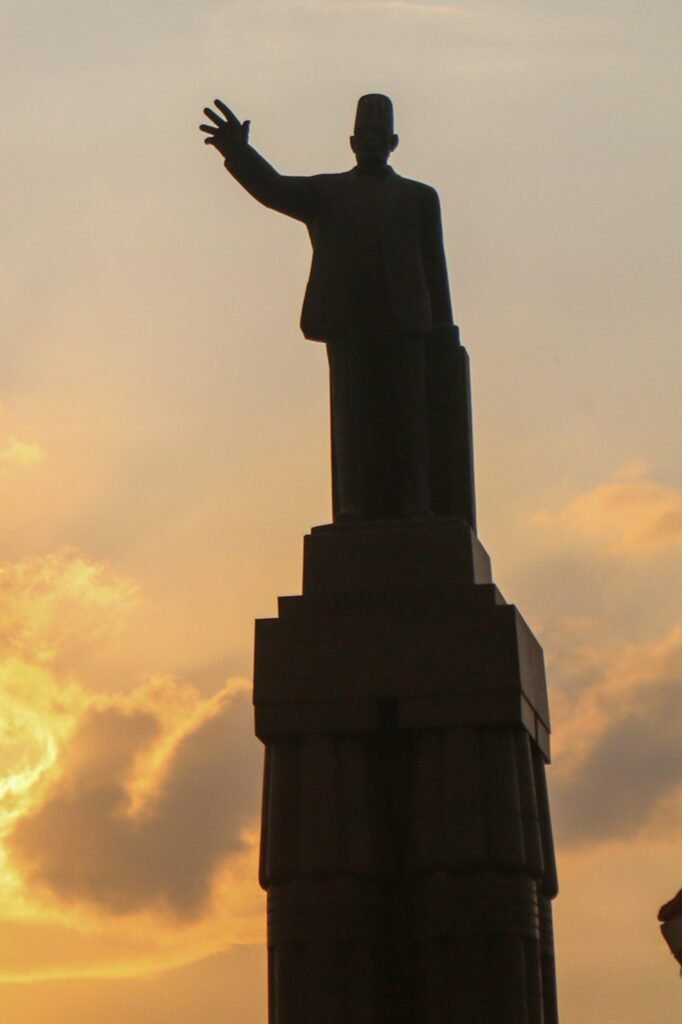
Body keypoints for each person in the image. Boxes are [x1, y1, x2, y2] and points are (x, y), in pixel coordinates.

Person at [200, 94, 474, 524]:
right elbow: (273, 188)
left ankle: (417, 502)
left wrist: (443, 329)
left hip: (405, 325)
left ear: (394, 142)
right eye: (363, 135)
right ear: (351, 141)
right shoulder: (328, 192)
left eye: (378, 135)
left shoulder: (418, 197)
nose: (370, 141)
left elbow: (433, 265)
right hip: (349, 322)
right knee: (352, 419)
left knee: (411, 421)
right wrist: (237, 150)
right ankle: (353, 505)